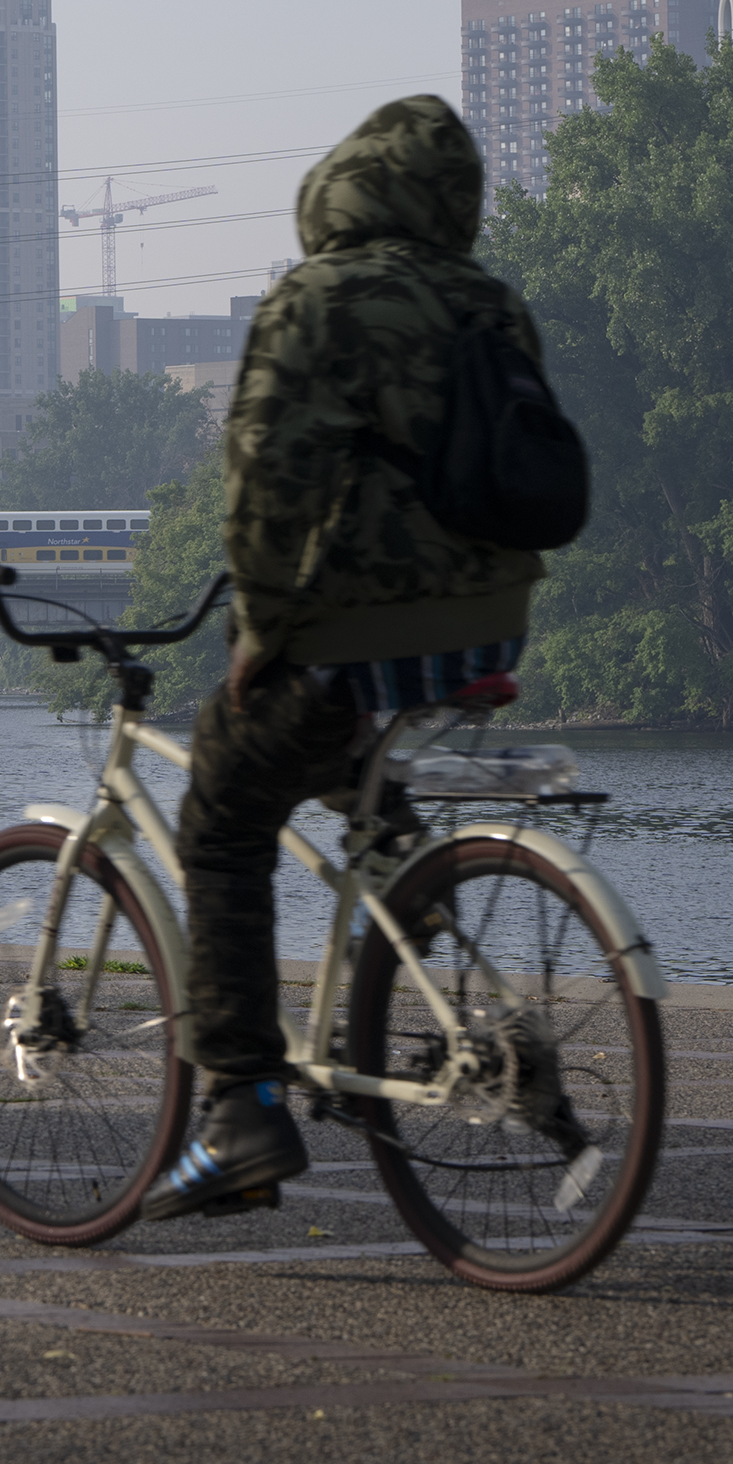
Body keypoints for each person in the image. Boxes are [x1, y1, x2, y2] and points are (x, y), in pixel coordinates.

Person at [141, 94, 551, 1221]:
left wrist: (262, 631)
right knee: (340, 757)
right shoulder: (491, 302)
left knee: (223, 811)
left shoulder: (316, 299)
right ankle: (417, 925)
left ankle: (237, 1109)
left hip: (357, 636)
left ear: (344, 186)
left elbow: (268, 479)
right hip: (487, 626)